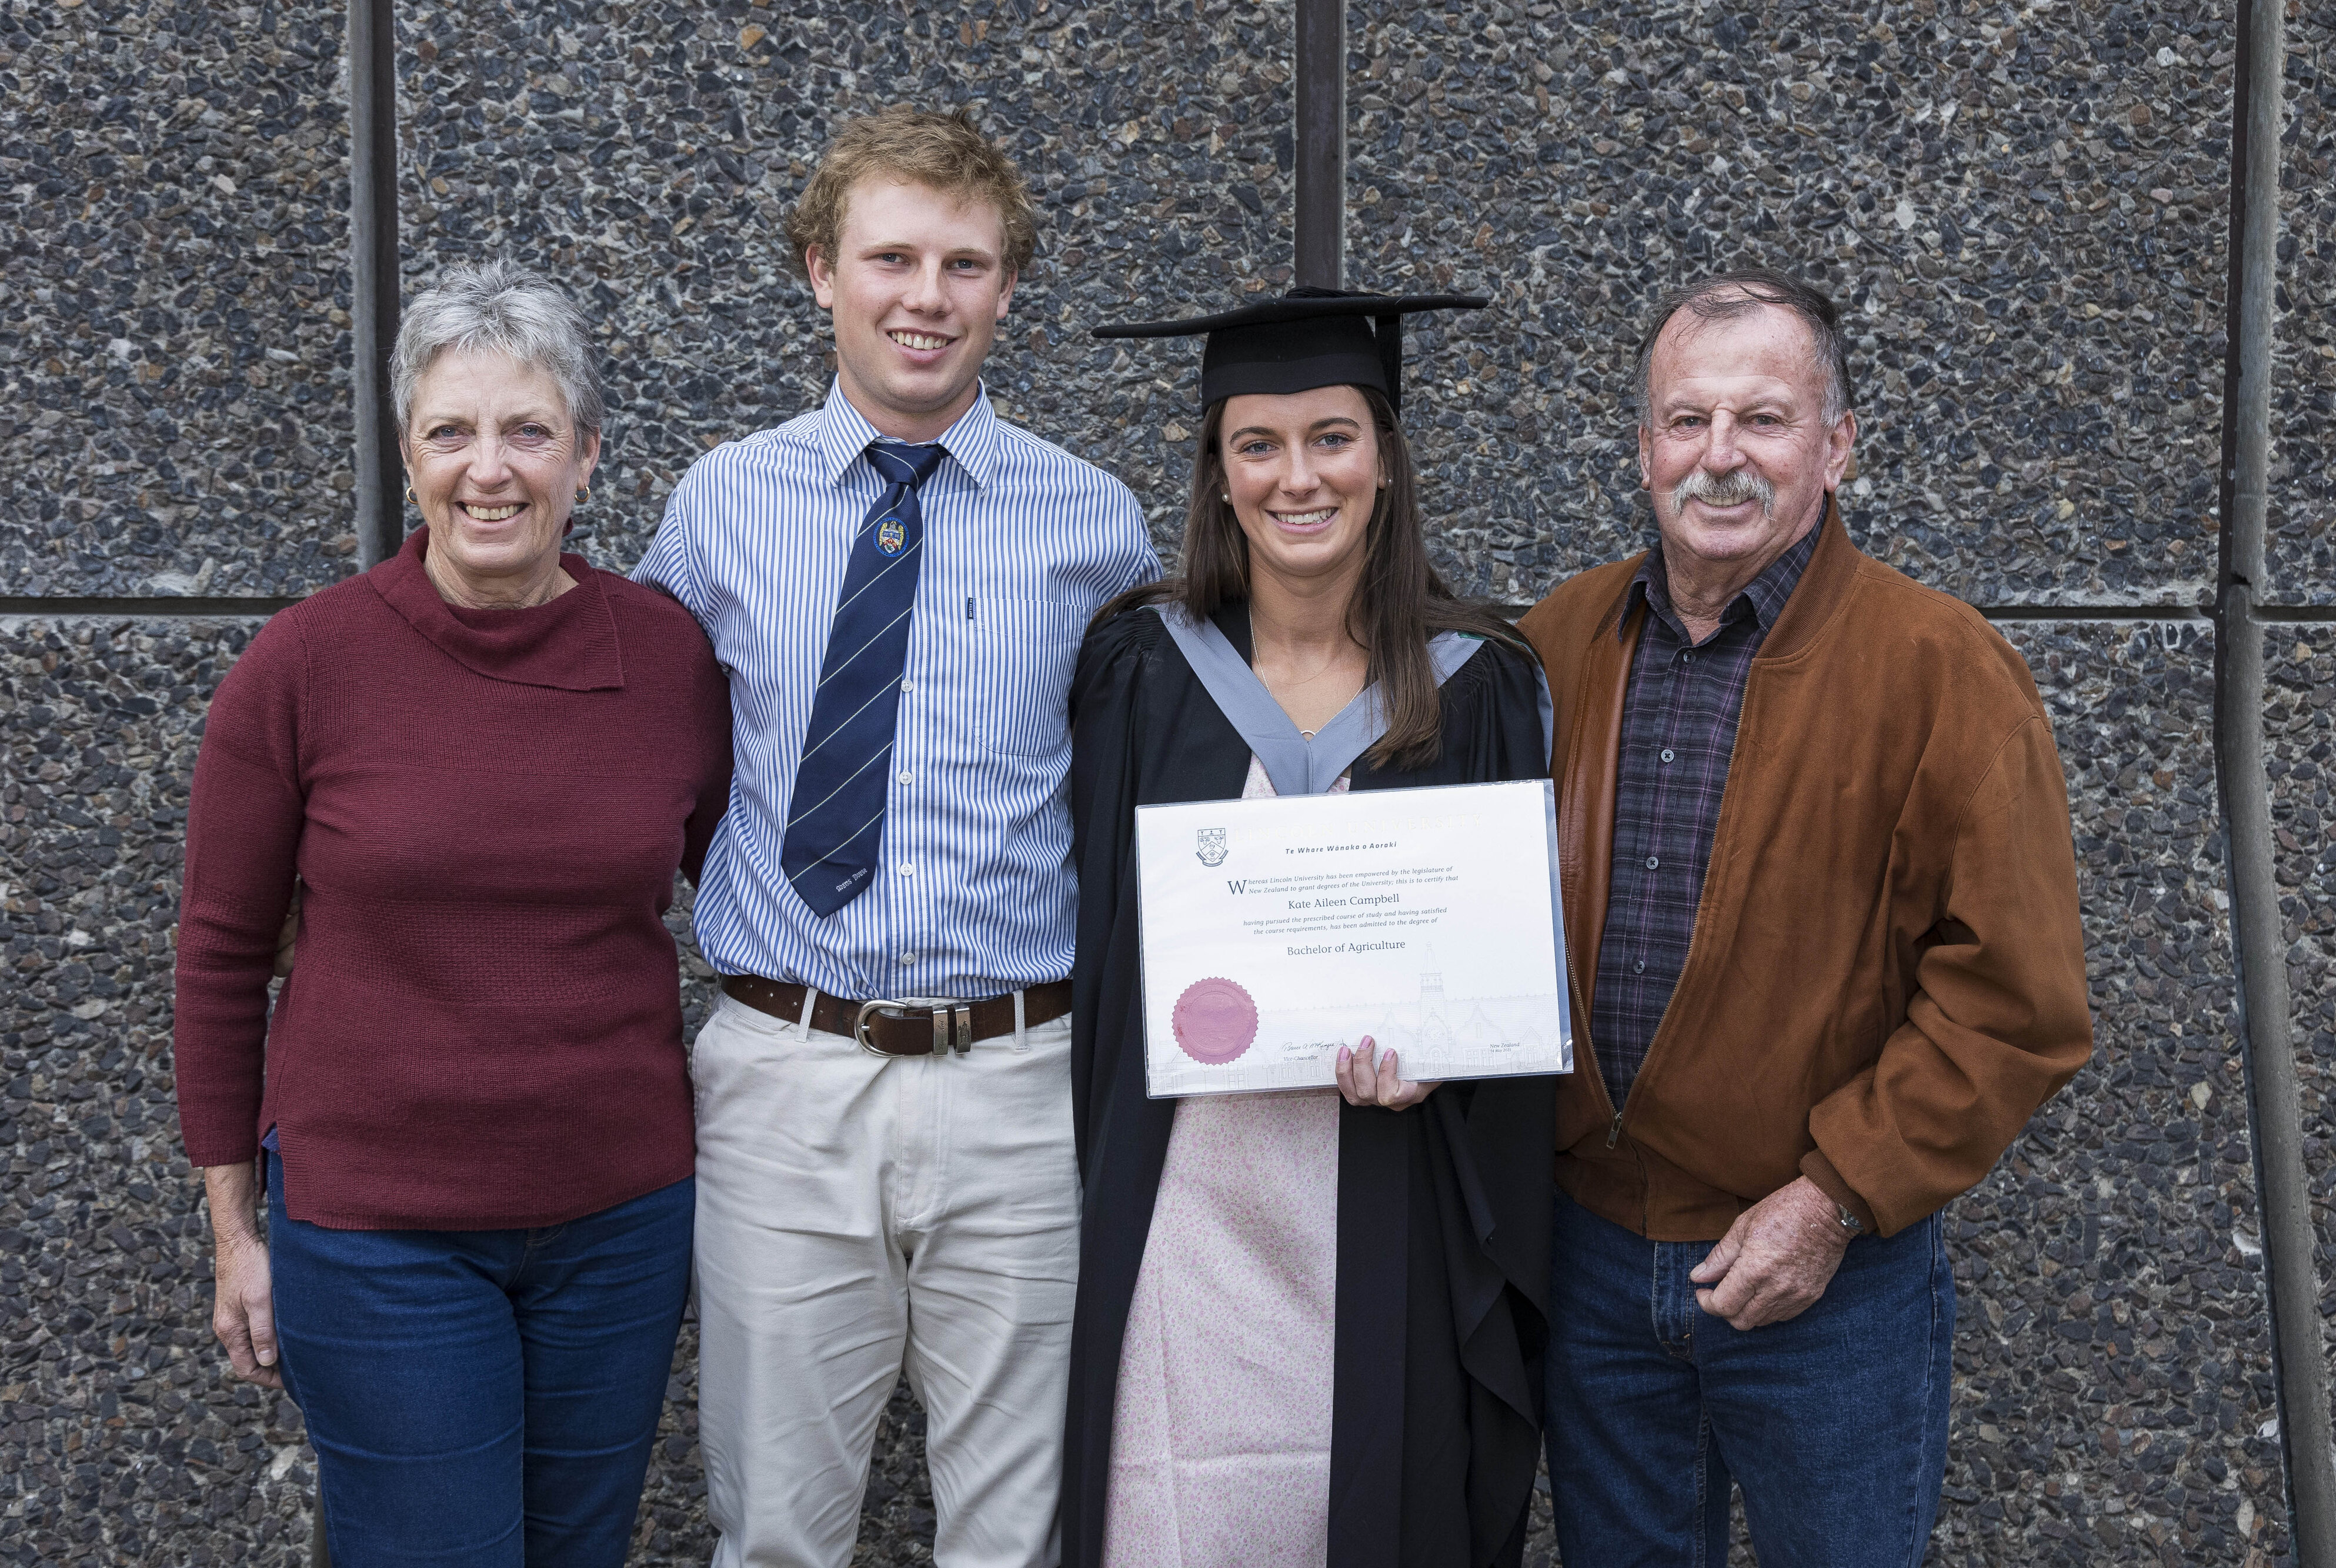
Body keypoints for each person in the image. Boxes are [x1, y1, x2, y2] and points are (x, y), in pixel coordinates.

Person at [629, 106, 1157, 1568]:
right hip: (785, 1075)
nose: (926, 296)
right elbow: (632, 751)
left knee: (1021, 1535)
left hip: (1022, 1082)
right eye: (892, 257)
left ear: (1003, 290)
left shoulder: (1093, 524)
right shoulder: (720, 504)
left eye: (965, 265)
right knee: (777, 1533)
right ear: (820, 271)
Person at [1519, 267, 2094, 1566]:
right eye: (1685, 420)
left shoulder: (1937, 666)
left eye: (1763, 420)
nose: (1717, 457)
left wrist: (1832, 1197)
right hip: (1593, 1260)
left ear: (1834, 447)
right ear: (1641, 447)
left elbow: (2015, 1001)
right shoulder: (1559, 642)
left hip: (1826, 1276)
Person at [173, 260, 733, 1566]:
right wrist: (234, 1231)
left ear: (587, 456)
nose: (491, 469)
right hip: (378, 1237)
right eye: (453, 432)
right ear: (408, 456)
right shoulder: (304, 665)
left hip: (619, 1222)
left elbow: (745, 887)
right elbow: (218, 956)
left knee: (573, 1549)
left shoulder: (664, 658)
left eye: (529, 431)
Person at [1062, 288, 1555, 1568]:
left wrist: (1454, 1050)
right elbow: (1106, 970)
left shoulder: (1479, 685)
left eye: (1332, 437)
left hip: (1385, 1196)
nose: (1298, 477)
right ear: (1217, 475)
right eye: (1257, 444)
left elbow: (1508, 975)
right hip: (1187, 1201)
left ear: (1383, 460)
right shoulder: (1141, 671)